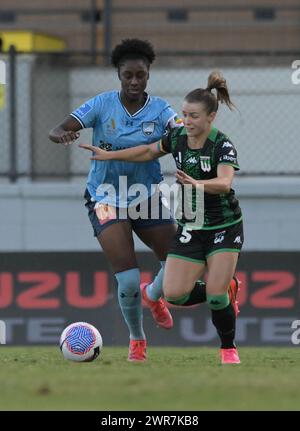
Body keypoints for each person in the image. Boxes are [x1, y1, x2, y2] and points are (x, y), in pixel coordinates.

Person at [79, 71, 244, 364]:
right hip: (191, 224)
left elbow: (225, 183)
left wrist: (196, 185)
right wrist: (109, 156)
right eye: (184, 115)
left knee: (217, 296)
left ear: (211, 117)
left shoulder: (222, 144)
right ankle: (221, 289)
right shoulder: (178, 137)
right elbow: (146, 151)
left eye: (194, 116)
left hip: (223, 224)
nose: (187, 121)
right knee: (175, 294)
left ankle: (228, 350)